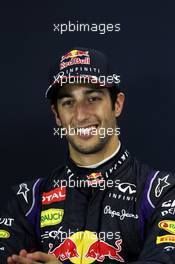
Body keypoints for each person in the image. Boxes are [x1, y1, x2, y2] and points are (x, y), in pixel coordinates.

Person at [1, 47, 175, 264]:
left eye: (92, 98)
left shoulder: (162, 193)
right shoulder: (27, 200)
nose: (80, 115)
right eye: (68, 102)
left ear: (117, 104)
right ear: (57, 114)